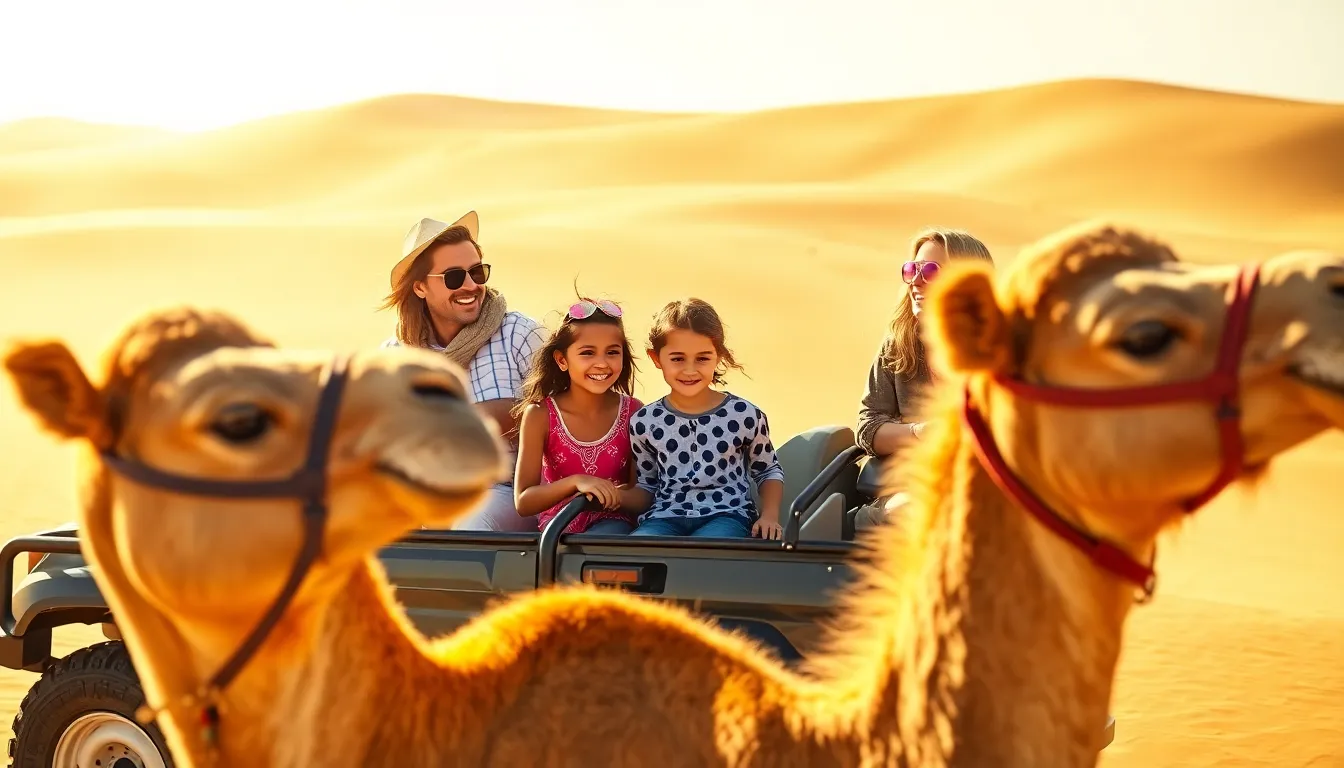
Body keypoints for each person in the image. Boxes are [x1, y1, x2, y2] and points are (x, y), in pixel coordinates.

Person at [379, 211, 548, 532]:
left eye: (477, 272)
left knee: (472, 524)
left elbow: (565, 417)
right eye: (454, 277)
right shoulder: (394, 358)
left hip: (510, 491)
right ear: (420, 288)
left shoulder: (519, 333)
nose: (471, 285)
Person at [853, 227, 994, 526]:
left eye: (930, 271)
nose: (916, 281)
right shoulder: (899, 345)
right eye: (911, 270)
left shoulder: (1000, 353)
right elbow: (867, 428)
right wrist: (921, 432)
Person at [624, 298, 785, 540]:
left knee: (706, 549)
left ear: (719, 356)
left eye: (702, 358)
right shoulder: (644, 421)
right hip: (664, 517)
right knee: (637, 548)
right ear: (656, 358)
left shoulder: (744, 414)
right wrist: (612, 496)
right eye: (677, 358)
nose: (690, 370)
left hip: (728, 515)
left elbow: (767, 470)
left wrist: (770, 516)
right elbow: (647, 483)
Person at [511, 296, 644, 535]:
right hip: (558, 533)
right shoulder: (540, 415)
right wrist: (577, 482)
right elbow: (524, 501)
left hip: (614, 532)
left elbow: (642, 494)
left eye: (612, 352)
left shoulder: (633, 412)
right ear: (562, 360)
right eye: (588, 353)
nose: (602, 363)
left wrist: (606, 495)